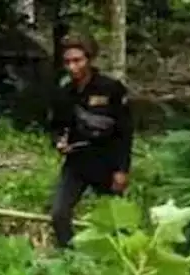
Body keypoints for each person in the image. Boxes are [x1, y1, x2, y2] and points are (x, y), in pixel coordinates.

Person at [47, 33, 133, 249]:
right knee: (59, 213)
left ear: (89, 59)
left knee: (116, 220)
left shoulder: (111, 88)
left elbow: (125, 131)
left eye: (77, 61)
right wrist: (59, 142)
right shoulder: (64, 93)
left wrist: (122, 169)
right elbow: (56, 126)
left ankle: (120, 260)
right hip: (76, 162)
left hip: (107, 162)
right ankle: (70, 257)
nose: (72, 67)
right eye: (67, 62)